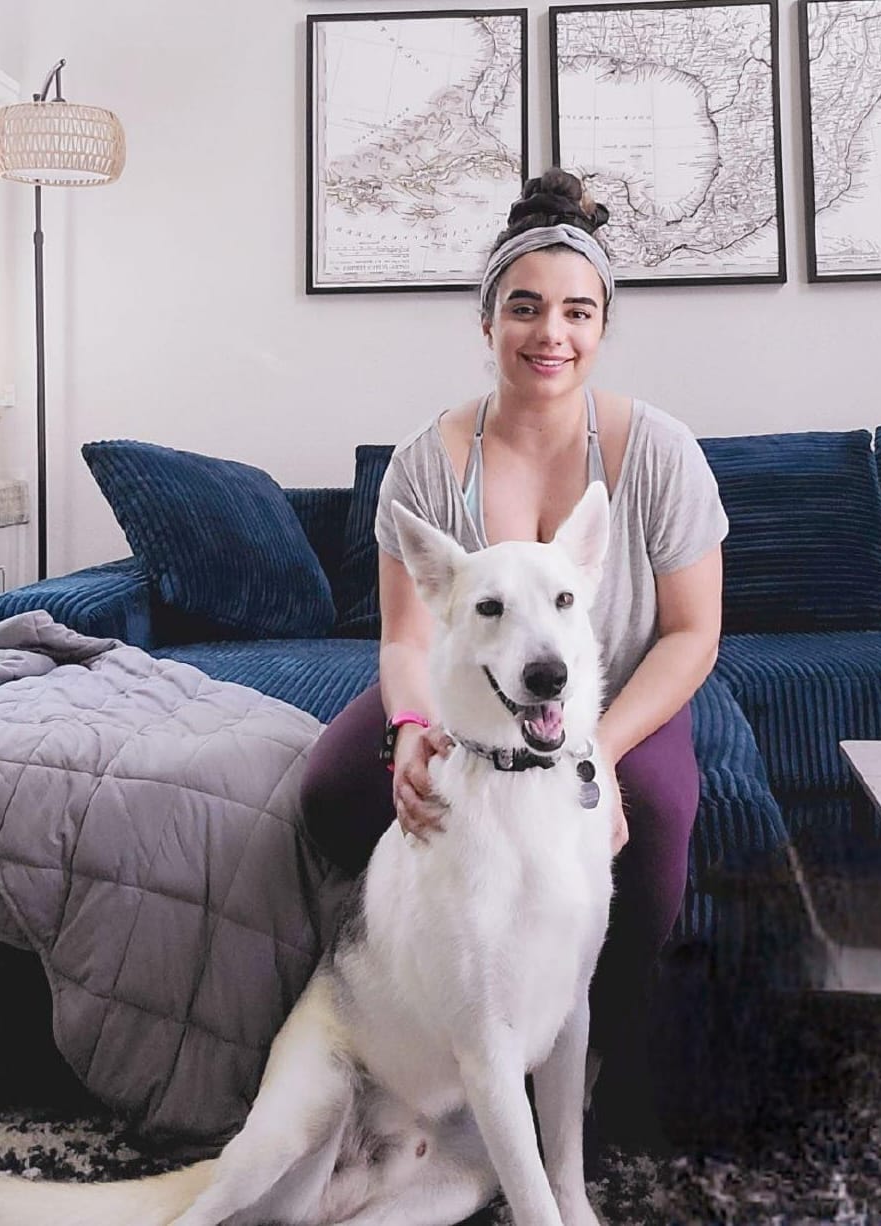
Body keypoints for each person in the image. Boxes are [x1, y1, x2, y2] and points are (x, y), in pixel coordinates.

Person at [300, 167, 728, 1146]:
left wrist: (597, 752)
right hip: (472, 694)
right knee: (331, 787)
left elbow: (692, 632)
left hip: (611, 693)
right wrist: (413, 727)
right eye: (525, 307)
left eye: (577, 311)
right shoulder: (425, 462)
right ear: (487, 320)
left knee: (656, 820)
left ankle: (595, 1053)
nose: (550, 333)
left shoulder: (659, 452)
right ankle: (406, 1007)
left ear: (602, 325)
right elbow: (406, 637)